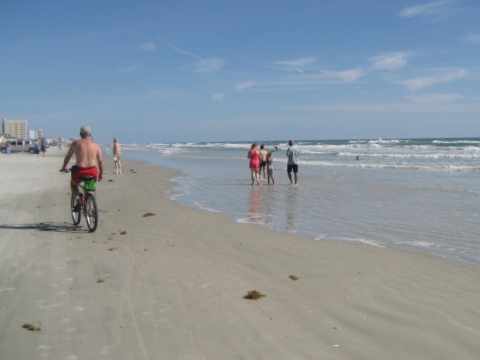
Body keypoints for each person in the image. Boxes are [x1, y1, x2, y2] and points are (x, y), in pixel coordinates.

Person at [60, 126, 104, 211]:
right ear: (90, 134)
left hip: (80, 171)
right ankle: (91, 207)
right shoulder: (95, 145)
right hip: (92, 171)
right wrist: (101, 174)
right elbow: (100, 161)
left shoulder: (76, 143)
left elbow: (68, 156)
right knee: (90, 187)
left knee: (73, 184)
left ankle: (78, 199)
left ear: (80, 134)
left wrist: (64, 167)